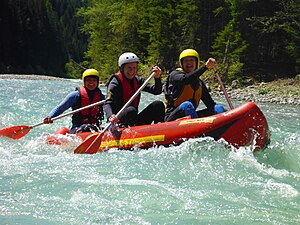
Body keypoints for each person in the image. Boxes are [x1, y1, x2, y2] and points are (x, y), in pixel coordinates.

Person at [104, 52, 165, 127]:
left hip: (134, 120)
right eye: (129, 68)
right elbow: (107, 103)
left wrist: (157, 78)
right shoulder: (115, 82)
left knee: (158, 105)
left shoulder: (137, 80)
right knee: (131, 110)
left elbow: (157, 91)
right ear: (121, 68)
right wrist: (110, 116)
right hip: (119, 122)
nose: (132, 71)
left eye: (134, 68)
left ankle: (160, 131)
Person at [164, 49, 225, 122]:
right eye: (186, 61)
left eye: (192, 60)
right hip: (172, 119)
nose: (189, 63)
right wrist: (205, 67)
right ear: (182, 63)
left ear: (196, 62)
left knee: (217, 108)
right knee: (187, 105)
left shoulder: (199, 84)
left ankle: (224, 129)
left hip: (190, 118)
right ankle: (198, 132)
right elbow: (186, 79)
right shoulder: (175, 75)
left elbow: (210, 104)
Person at [43, 69, 106, 133]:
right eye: (88, 80)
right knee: (86, 128)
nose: (91, 83)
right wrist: (50, 116)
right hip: (78, 127)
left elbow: (111, 105)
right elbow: (60, 108)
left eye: (94, 80)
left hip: (96, 127)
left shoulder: (102, 97)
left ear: (97, 82)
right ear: (84, 81)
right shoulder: (75, 95)